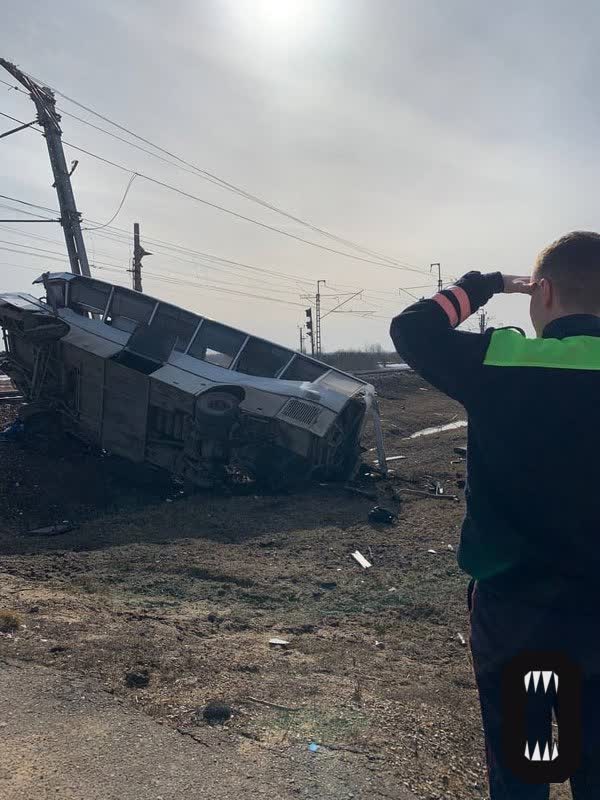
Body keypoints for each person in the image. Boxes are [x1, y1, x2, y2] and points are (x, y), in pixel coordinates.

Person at [389, 231, 600, 799]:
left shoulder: (504, 360)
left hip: (521, 620)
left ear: (544, 292)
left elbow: (412, 328)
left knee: (527, 768)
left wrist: (487, 285)